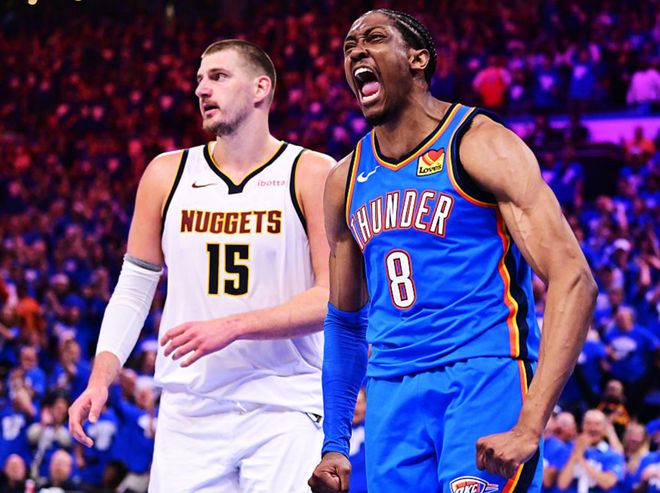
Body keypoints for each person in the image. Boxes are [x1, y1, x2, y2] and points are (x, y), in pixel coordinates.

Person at [309, 9, 597, 493]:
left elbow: (574, 279)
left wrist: (531, 424)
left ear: (418, 59)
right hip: (390, 393)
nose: (356, 51)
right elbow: (345, 322)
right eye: (349, 46)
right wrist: (335, 442)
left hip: (483, 374)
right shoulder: (345, 178)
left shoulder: (480, 143)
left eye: (374, 38)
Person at [68, 39, 334, 492]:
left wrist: (233, 326)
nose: (201, 90)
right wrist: (100, 378)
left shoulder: (312, 172)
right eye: (198, 80)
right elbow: (134, 289)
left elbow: (333, 298)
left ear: (260, 89)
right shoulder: (166, 174)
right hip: (189, 408)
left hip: (284, 405)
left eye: (218, 77)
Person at [556, 409, 625, 493]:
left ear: (605, 428)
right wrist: (576, 453)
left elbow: (607, 483)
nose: (592, 428)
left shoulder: (613, 455)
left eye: (597, 424)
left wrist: (581, 459)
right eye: (588, 423)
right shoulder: (568, 448)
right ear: (582, 426)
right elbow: (562, 484)